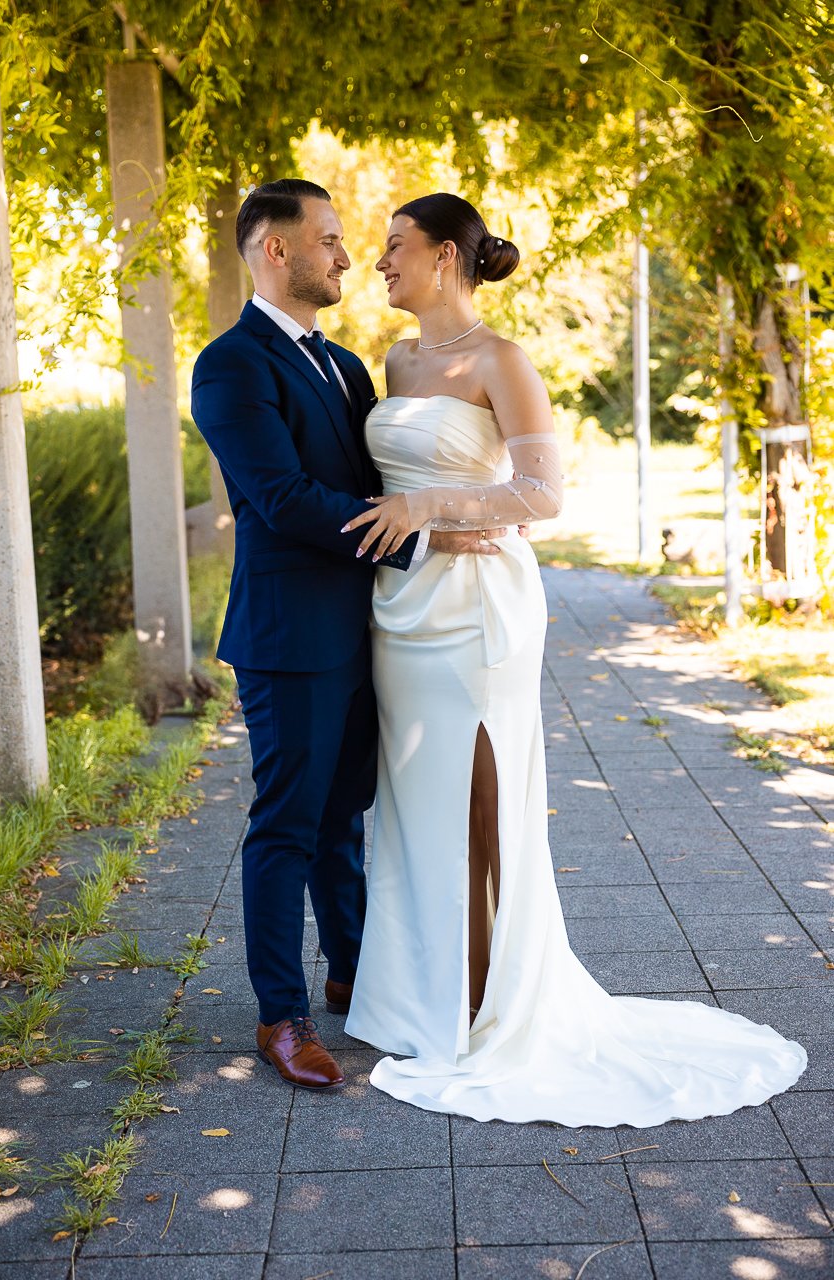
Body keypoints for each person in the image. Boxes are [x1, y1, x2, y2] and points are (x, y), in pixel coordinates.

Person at [341, 192, 807, 1124]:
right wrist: (415, 527)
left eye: (395, 246)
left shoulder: (501, 359)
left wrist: (436, 509)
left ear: (444, 258)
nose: (380, 262)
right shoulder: (393, 359)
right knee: (409, 799)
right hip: (402, 603)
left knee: (479, 799)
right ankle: (420, 997)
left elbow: (542, 493)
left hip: (479, 611)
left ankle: (483, 1008)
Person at [191, 179, 499, 1092]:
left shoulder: (345, 366)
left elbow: (379, 475)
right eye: (326, 240)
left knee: (342, 819)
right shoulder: (231, 365)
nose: (345, 255)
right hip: (288, 636)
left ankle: (353, 975)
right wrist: (427, 534)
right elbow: (282, 500)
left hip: (367, 625)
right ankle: (279, 1017)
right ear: (274, 251)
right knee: (284, 825)